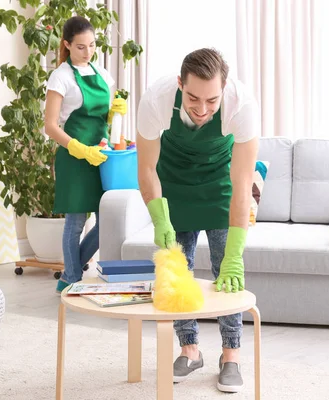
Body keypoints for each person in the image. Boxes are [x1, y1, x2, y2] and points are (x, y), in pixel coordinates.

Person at [136, 48, 260, 392]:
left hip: (221, 183)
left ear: (225, 88)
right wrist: (160, 218)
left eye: (212, 100)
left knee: (226, 270)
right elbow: (146, 169)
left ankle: (230, 355)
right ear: (179, 84)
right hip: (173, 181)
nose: (203, 110)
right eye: (192, 98)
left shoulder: (243, 105)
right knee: (177, 269)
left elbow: (242, 184)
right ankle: (189, 349)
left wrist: (236, 253)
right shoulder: (157, 99)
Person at [44, 16, 126, 294]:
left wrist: (114, 114)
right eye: (80, 47)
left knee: (106, 221)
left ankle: (70, 273)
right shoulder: (61, 77)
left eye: (92, 45)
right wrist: (78, 148)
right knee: (76, 220)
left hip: (101, 157)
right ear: (67, 45)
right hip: (73, 156)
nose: (88, 52)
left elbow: (103, 120)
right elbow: (50, 126)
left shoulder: (104, 75)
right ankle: (71, 276)